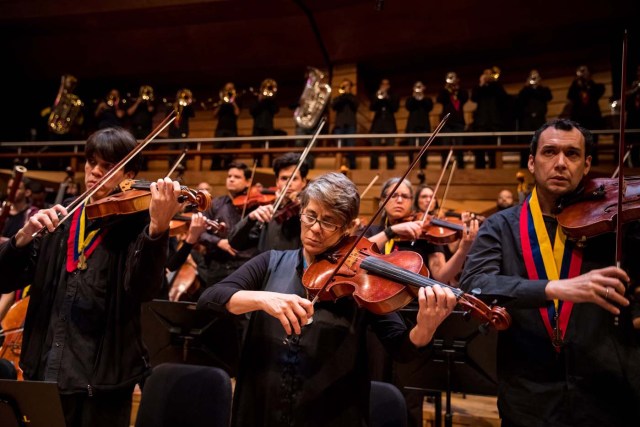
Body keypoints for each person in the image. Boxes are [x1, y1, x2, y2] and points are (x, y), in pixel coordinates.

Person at [196, 172, 457, 426]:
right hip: (262, 407)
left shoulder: (363, 281)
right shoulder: (270, 262)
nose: (315, 229)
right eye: (310, 216)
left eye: (329, 221)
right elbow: (209, 299)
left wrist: (425, 327)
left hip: (332, 413)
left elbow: (402, 348)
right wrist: (263, 299)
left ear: (348, 228)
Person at [459, 119, 640, 426]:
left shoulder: (616, 225)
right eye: (549, 152)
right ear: (532, 162)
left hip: (607, 390)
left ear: (586, 165)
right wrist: (553, 288)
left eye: (572, 154)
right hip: (529, 395)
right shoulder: (500, 227)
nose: (560, 163)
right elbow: (476, 284)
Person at [0, 127, 182, 427]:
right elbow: (5, 281)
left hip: (102, 385)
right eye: (91, 162)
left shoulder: (139, 224)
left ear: (130, 174)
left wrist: (158, 229)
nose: (95, 172)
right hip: (44, 372)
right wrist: (22, 238)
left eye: (107, 166)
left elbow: (144, 289)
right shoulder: (59, 219)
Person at [228, 152, 309, 253]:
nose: (288, 184)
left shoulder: (308, 212)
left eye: (294, 179)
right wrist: (250, 219)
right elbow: (234, 243)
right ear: (277, 182)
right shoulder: (268, 213)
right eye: (284, 178)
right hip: (267, 268)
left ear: (304, 182)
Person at [199, 161, 258, 286]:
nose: (231, 179)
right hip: (217, 266)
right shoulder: (215, 204)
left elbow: (257, 235)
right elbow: (200, 233)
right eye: (229, 176)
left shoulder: (255, 207)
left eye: (237, 177)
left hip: (245, 266)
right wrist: (218, 242)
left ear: (248, 182)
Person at [567, 65, 605, 165]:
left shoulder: (593, 86)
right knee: (578, 140)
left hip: (592, 118)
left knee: (593, 140)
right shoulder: (576, 85)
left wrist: (588, 82)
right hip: (579, 119)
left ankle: (594, 161)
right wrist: (576, 82)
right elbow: (570, 96)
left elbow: (599, 92)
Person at [471, 68, 508, 169]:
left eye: (490, 74)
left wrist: (495, 82)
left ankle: (494, 169)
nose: (488, 76)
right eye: (485, 74)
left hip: (494, 123)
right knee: (479, 149)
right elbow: (473, 98)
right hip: (481, 123)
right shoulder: (479, 88)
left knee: (494, 150)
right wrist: (481, 83)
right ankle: (479, 170)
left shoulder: (496, 87)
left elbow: (504, 98)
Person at [516, 70, 553, 168]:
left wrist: (539, 86)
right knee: (525, 145)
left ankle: (540, 166)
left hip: (540, 120)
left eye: (536, 77)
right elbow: (519, 100)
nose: (534, 79)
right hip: (527, 121)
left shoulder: (543, 90)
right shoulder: (526, 90)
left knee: (540, 143)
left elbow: (549, 97)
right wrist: (526, 86)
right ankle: (524, 166)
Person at [437, 72, 468, 168]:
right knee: (445, 146)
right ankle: (445, 166)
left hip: (458, 122)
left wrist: (457, 89)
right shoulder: (445, 91)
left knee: (459, 146)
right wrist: (446, 89)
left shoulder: (461, 91)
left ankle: (460, 166)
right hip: (446, 123)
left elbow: (465, 98)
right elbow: (439, 99)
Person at [369, 78, 399, 169]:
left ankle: (391, 169)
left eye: (386, 84)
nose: (384, 86)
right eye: (383, 84)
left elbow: (395, 108)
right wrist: (379, 98)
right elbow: (372, 107)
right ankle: (373, 170)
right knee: (374, 149)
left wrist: (387, 98)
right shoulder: (376, 95)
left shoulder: (393, 96)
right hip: (377, 125)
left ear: (389, 86)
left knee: (390, 150)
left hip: (389, 126)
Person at [211, 82, 240, 171]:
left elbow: (237, 113)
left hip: (231, 128)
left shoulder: (236, 101)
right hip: (220, 128)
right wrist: (221, 103)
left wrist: (233, 102)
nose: (229, 91)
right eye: (227, 89)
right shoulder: (221, 101)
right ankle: (215, 166)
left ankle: (228, 166)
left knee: (230, 149)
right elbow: (214, 115)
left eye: (231, 88)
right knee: (217, 148)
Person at [404, 81, 434, 169]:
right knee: (411, 148)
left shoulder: (427, 99)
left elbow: (429, 107)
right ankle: (411, 166)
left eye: (420, 86)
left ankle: (423, 166)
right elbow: (408, 107)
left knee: (424, 148)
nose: (418, 88)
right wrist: (414, 96)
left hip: (424, 126)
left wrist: (422, 96)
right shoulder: (410, 99)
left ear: (424, 88)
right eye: (417, 87)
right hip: (412, 126)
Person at [331, 79, 359, 169]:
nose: (345, 87)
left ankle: (352, 166)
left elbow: (355, 105)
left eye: (347, 86)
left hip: (351, 124)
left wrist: (348, 94)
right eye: (343, 86)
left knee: (351, 146)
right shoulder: (339, 98)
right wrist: (343, 95)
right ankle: (338, 166)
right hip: (340, 125)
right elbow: (334, 106)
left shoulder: (353, 97)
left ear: (350, 87)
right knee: (339, 147)